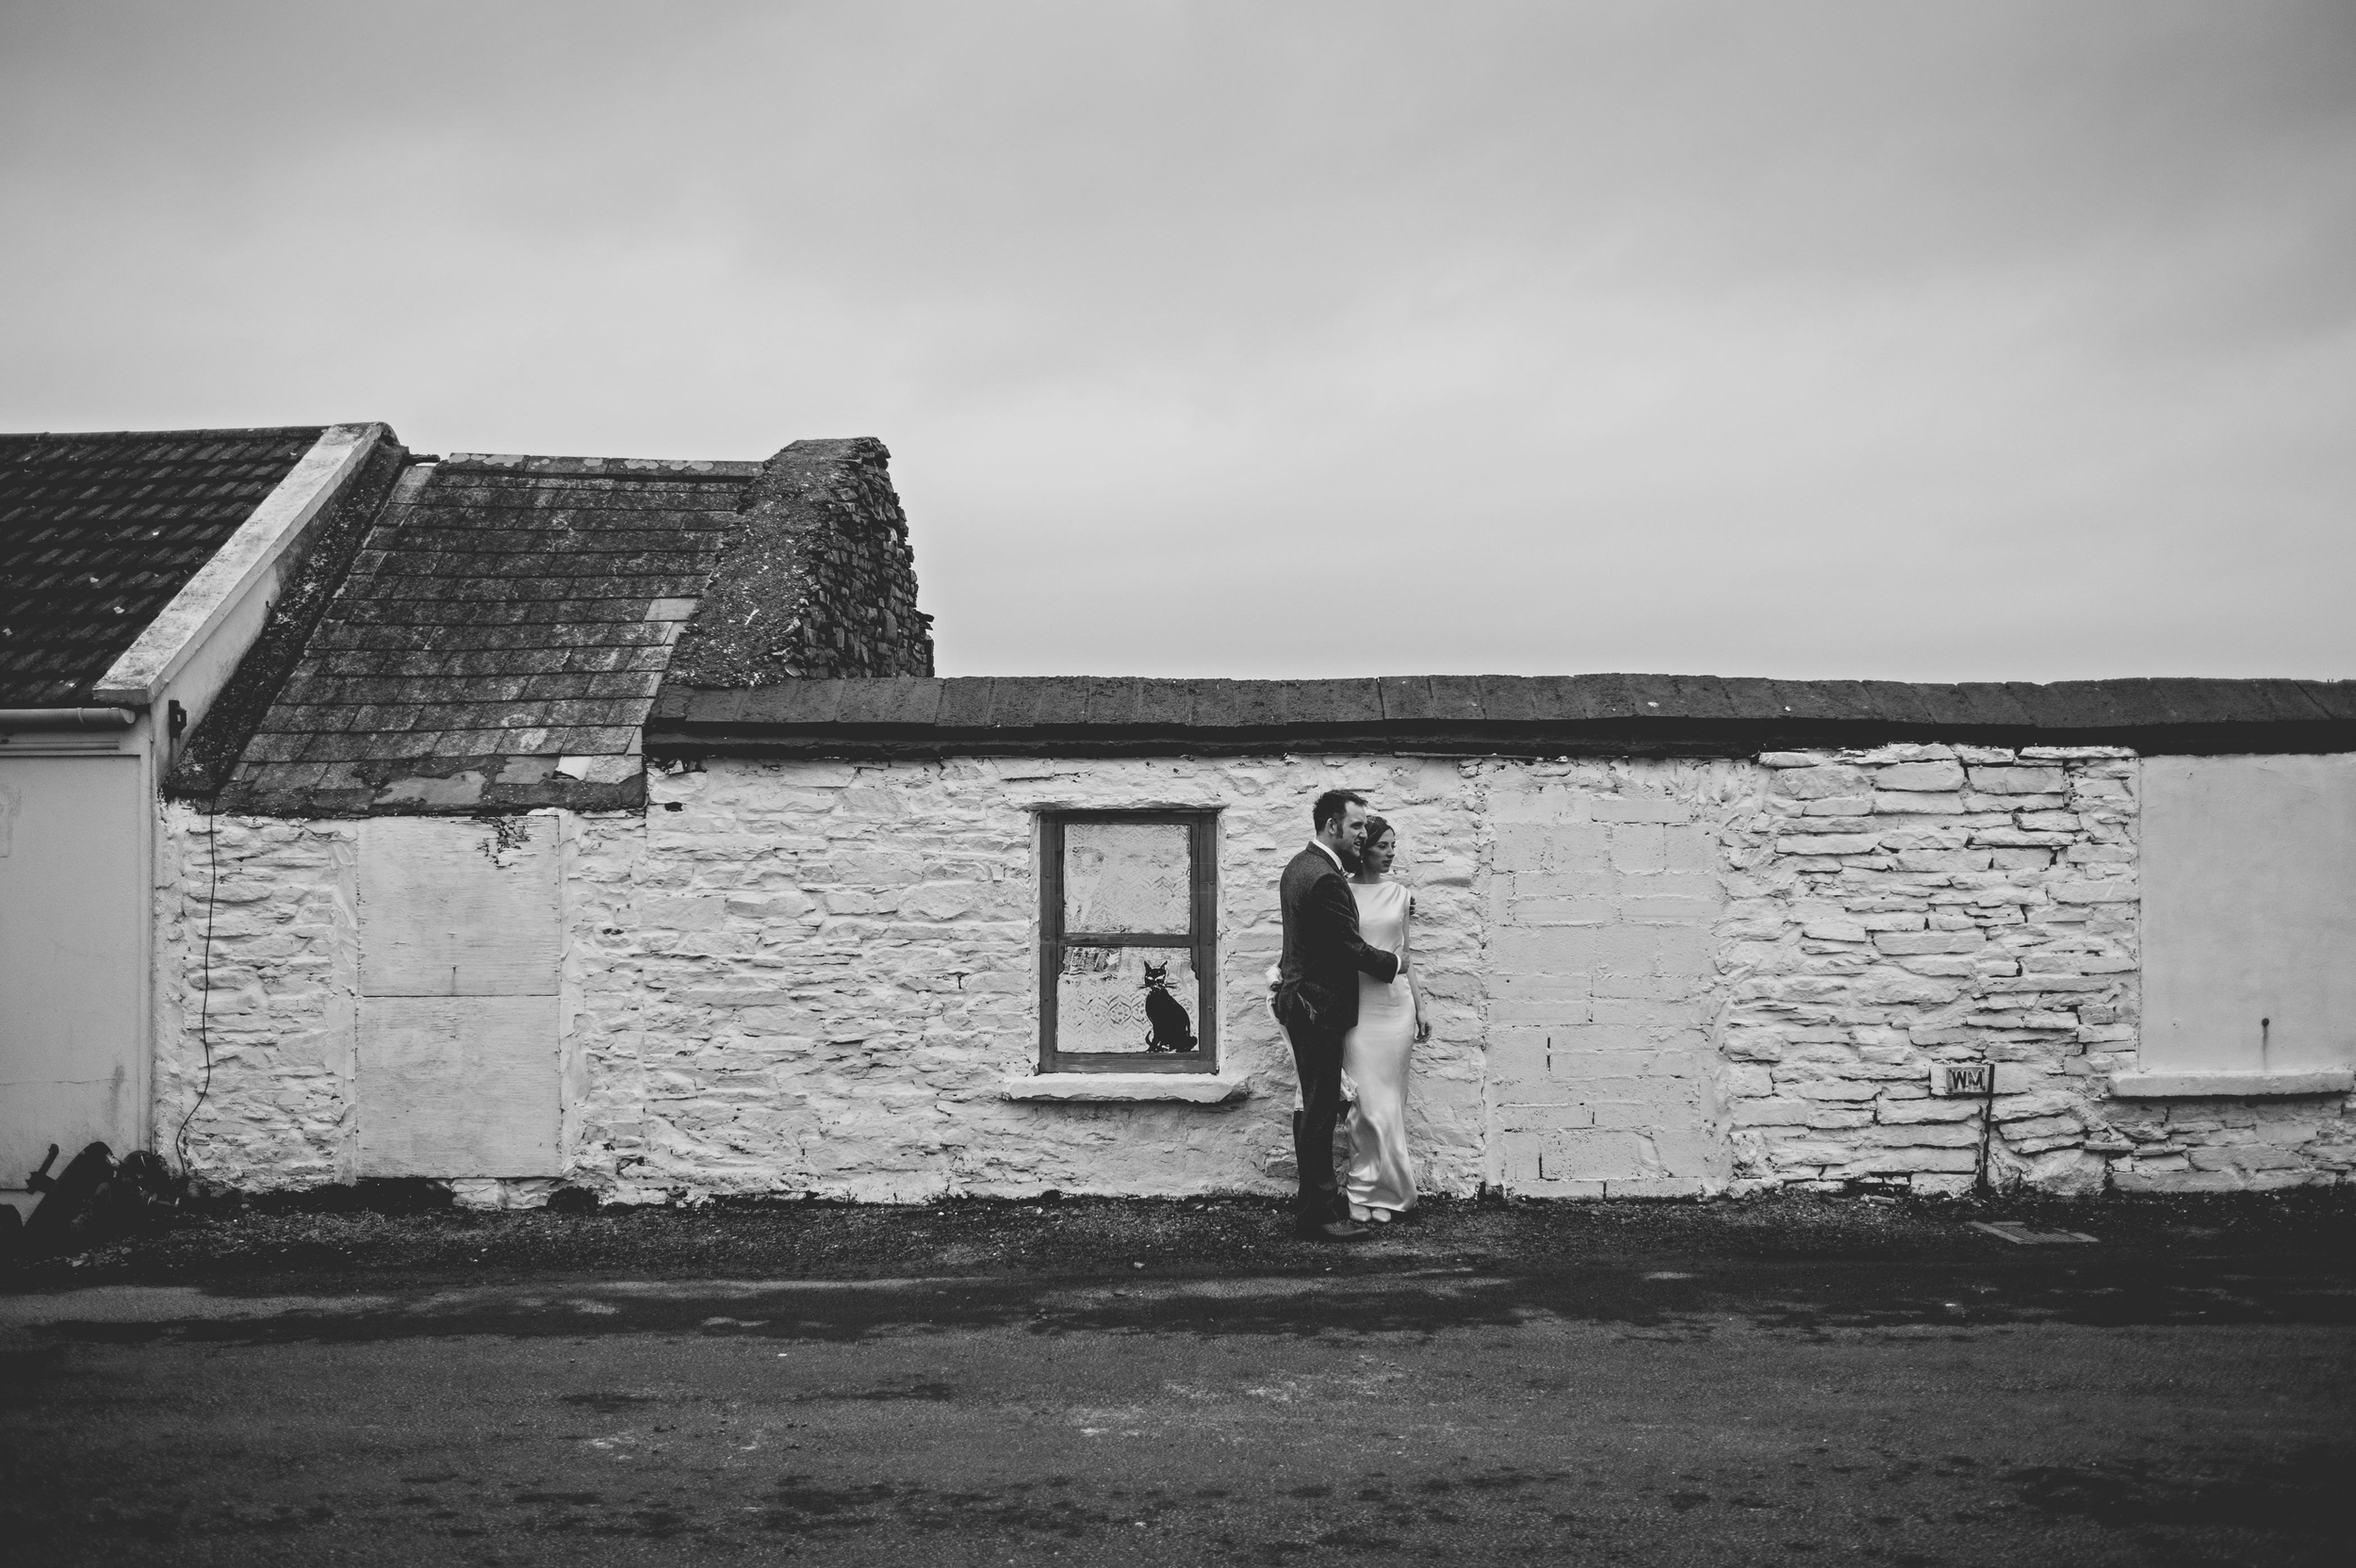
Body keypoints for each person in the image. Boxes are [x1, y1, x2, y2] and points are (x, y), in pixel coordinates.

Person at [1273, 789, 1399, 1241]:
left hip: (1302, 1000)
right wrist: (1395, 964)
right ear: (1332, 826)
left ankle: (1317, 1198)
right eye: (1357, 826)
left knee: (1313, 1104)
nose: (1364, 835)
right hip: (1318, 1007)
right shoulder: (1325, 878)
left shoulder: (1299, 865)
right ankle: (1318, 1214)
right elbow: (1347, 947)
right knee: (1321, 1109)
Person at [1342, 816, 1428, 1223]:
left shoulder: (1400, 894)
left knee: (1391, 1104)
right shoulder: (1341, 891)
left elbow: (1405, 955)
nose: (1391, 853)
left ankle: (1389, 1192)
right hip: (1357, 1007)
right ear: (1364, 849)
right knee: (1364, 1103)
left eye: (1394, 845)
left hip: (1396, 1008)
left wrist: (1422, 1006)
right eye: (1383, 846)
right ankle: (1360, 1187)